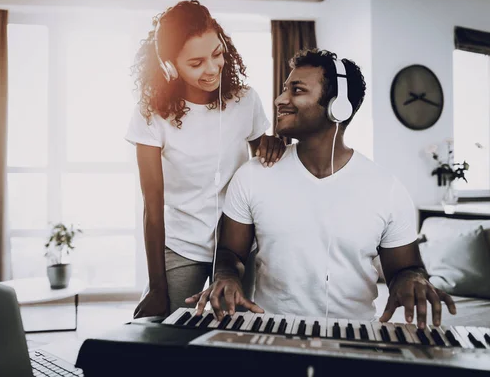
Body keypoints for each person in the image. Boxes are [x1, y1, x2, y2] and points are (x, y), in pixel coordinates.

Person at [186, 48, 456, 329]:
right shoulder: (253, 176)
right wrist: (226, 275)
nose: (280, 99)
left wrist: (413, 279)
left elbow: (404, 267)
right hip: (272, 331)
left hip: (356, 336)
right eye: (283, 89)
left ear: (337, 107)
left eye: (297, 90)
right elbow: (231, 252)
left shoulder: (387, 189)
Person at [125, 0, 285, 318]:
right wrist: (157, 287)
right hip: (182, 242)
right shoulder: (151, 116)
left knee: (234, 334)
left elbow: (262, 168)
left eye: (217, 53)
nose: (212, 69)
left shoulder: (245, 101)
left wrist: (272, 146)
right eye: (196, 62)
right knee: (168, 332)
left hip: (238, 245)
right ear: (170, 66)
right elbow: (152, 206)